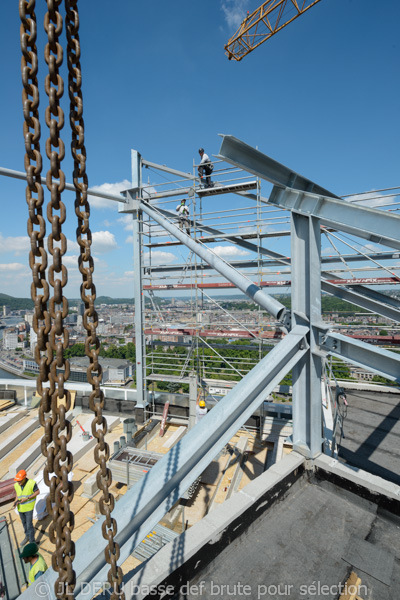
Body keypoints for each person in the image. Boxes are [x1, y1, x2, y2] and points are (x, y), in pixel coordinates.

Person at [13, 470, 39, 545]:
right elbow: (17, 495)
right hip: (20, 508)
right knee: (24, 524)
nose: (18, 482)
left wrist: (27, 498)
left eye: (20, 481)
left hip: (28, 508)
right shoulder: (16, 485)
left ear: (24, 478)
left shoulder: (31, 483)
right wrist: (15, 502)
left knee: (29, 526)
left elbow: (37, 492)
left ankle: (32, 543)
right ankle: (27, 537)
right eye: (17, 481)